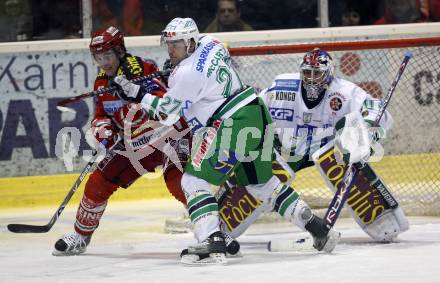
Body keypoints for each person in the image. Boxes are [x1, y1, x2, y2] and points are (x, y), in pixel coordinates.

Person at [113, 18, 340, 265]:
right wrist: (180, 68)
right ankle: (316, 227)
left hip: (234, 122)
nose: (170, 50)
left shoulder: (186, 74)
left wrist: (136, 94)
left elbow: (167, 114)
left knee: (193, 180)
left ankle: (211, 240)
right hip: (256, 112)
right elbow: (206, 72)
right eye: (168, 44)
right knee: (261, 184)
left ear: (190, 42)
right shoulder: (212, 42)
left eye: (176, 44)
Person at [217, 48, 409, 248]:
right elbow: (252, 108)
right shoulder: (282, 86)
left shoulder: (345, 92)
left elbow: (378, 111)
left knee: (343, 158)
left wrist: (368, 131)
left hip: (325, 147)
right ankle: (220, 226)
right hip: (285, 148)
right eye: (307, 72)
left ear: (329, 73)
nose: (311, 78)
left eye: (316, 73)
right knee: (264, 170)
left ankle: (383, 220)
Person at [52, 26, 190, 256]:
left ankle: (216, 228)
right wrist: (103, 131)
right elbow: (101, 116)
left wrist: (136, 90)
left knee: (180, 183)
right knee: (99, 181)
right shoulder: (101, 83)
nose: (104, 62)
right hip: (135, 145)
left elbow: (164, 104)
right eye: (98, 57)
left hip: (168, 136)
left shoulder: (143, 69)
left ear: (119, 51)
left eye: (107, 55)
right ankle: (80, 236)